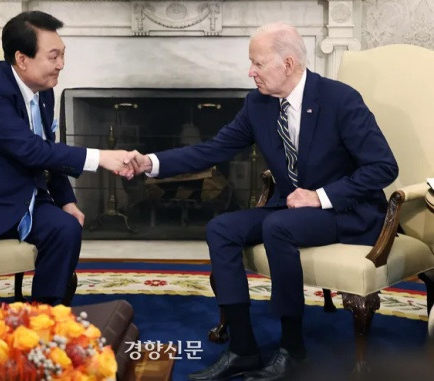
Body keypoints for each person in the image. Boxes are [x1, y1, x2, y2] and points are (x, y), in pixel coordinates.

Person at [125, 23, 398, 380]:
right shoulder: (258, 104)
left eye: (257, 63)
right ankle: (242, 348)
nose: (250, 72)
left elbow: (383, 167)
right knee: (221, 228)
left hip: (345, 210)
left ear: (287, 63)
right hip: (290, 207)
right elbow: (212, 150)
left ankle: (292, 348)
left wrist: (319, 197)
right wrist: (150, 163)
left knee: (277, 226)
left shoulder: (339, 99)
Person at [0, 11, 134, 332]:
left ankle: (44, 323)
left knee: (65, 229)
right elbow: (31, 150)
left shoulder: (44, 89)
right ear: (22, 59)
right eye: (54, 56)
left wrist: (66, 200)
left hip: (18, 198)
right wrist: (100, 157)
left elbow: (48, 147)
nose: (61, 64)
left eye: (63, 54)